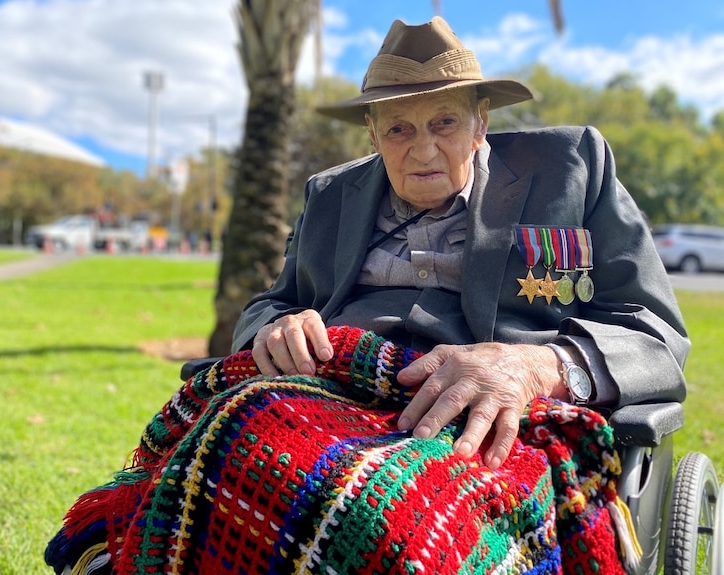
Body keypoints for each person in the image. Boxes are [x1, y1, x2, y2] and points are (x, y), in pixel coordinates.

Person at [232, 16, 690, 470]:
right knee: (216, 467)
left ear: (480, 123)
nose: (424, 150)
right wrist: (278, 327)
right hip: (328, 401)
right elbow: (271, 305)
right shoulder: (329, 194)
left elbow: (656, 334)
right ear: (372, 134)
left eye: (444, 122)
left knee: (390, 517)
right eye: (398, 129)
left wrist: (538, 367)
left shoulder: (571, 168)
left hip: (484, 422)